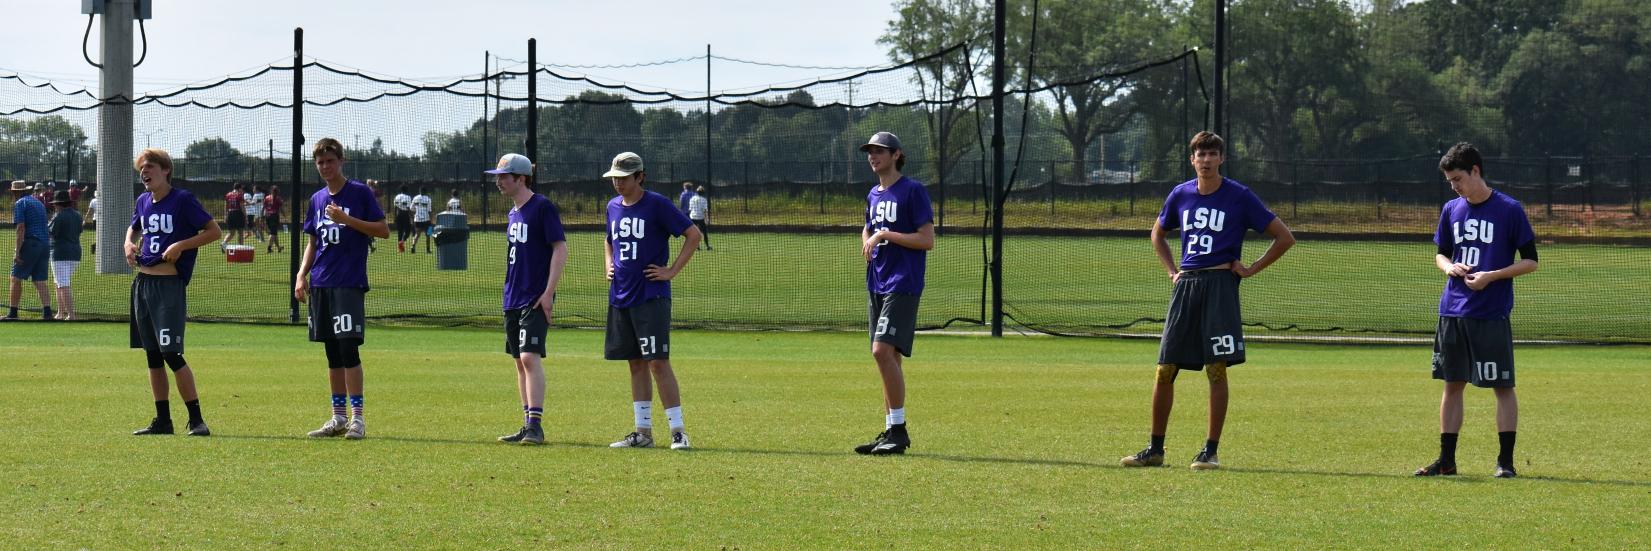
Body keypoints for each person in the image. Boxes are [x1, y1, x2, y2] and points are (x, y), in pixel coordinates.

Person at [1121, 131, 1295, 470]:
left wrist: (1250, 269)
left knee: (1216, 369)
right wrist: (1172, 271)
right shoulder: (1181, 194)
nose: (1206, 159)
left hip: (1220, 286)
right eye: (1200, 154)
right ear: (1192, 160)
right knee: (1165, 368)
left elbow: (1284, 237)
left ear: (1221, 158)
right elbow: (1157, 233)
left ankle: (1210, 451)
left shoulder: (1239, 196)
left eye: (1212, 153)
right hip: (1186, 285)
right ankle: (1155, 449)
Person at [1414, 142, 1538, 479]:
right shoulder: (1451, 208)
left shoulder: (1509, 209)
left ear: (1475, 171)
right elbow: (1440, 253)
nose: (1454, 186)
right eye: (1449, 182)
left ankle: (1505, 462)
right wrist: (1449, 267)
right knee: (1452, 384)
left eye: (1457, 179)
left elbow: (1530, 261)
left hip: (1490, 312)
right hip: (1453, 310)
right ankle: (1447, 461)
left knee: (1502, 386)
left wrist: (1491, 277)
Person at [601, 151, 702, 450]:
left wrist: (671, 271)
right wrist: (608, 263)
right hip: (621, 295)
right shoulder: (612, 207)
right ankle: (642, 432)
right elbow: (609, 240)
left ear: (640, 176)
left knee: (658, 363)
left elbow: (693, 235)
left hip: (651, 296)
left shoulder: (656, 204)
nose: (618, 184)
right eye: (615, 178)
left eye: (624, 178)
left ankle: (678, 432)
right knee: (635, 363)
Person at [296, 138, 389, 440]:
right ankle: (337, 418)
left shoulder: (359, 193)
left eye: (330, 161)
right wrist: (301, 275)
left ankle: (358, 419)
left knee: (349, 349)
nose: (325, 167)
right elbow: (313, 242)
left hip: (348, 284)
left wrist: (347, 219)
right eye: (320, 163)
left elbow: (383, 230)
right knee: (332, 353)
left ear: (341, 161)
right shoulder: (317, 199)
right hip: (321, 283)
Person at [124, 148, 222, 436]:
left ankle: (197, 419)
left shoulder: (182, 200)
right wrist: (128, 243)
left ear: (165, 170)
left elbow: (214, 231)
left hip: (168, 287)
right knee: (152, 355)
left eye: (150, 166)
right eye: (142, 168)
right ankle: (163, 420)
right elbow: (134, 229)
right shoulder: (143, 201)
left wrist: (181, 245)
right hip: (143, 285)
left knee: (172, 353)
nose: (144, 172)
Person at [852, 132, 934, 456]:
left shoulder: (913, 190)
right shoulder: (873, 193)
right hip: (877, 281)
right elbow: (869, 225)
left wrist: (884, 233)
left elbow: (927, 239)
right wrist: (867, 237)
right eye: (870, 151)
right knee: (890, 357)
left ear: (897, 154)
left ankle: (898, 431)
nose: (873, 156)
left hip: (903, 281)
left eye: (880, 151)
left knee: (880, 352)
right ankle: (889, 429)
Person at [487, 153, 568, 445]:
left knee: (529, 357)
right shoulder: (513, 213)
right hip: (513, 296)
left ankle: (536, 425)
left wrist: (548, 293)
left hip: (534, 296)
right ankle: (526, 424)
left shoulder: (541, 207)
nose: (498, 182)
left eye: (504, 177)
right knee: (519, 362)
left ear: (521, 178)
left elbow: (560, 248)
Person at [6, 180, 54, 321]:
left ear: (16, 192)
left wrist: (17, 251)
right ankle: (47, 313)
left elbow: (21, 228)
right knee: (39, 280)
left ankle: (13, 313)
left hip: (31, 243)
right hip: (45, 245)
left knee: (15, 278)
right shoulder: (38, 203)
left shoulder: (20, 203)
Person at [49, 190, 82, 320]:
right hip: (75, 253)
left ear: (58, 204)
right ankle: (60, 313)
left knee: (62, 284)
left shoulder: (58, 216)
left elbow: (51, 233)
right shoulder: (78, 215)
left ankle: (71, 315)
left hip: (60, 253)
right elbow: (79, 231)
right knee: (59, 283)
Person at [411, 187, 433, 253]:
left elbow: (412, 208)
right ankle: (428, 249)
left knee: (417, 234)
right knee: (429, 234)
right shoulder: (428, 199)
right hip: (427, 220)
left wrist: (415, 215)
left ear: (419, 191)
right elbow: (429, 211)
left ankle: (413, 246)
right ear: (426, 192)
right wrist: (431, 220)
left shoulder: (415, 198)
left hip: (417, 219)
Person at [264, 184, 285, 253]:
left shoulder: (267, 198)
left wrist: (262, 216)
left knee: (274, 233)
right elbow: (281, 209)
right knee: (273, 233)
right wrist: (284, 215)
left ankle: (278, 247)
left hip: (267, 216)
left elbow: (264, 208)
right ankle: (269, 248)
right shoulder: (278, 199)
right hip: (274, 216)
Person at [688, 185, 711, 251]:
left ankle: (697, 246)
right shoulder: (704, 200)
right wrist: (706, 219)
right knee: (704, 232)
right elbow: (705, 210)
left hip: (693, 217)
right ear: (703, 193)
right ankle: (707, 246)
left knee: (695, 232)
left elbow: (690, 209)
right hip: (700, 217)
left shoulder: (692, 199)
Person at [392, 184, 413, 253]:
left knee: (400, 231)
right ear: (406, 190)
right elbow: (408, 208)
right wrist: (412, 216)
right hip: (405, 215)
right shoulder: (408, 197)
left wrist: (394, 217)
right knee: (408, 231)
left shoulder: (397, 196)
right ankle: (402, 241)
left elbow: (395, 208)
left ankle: (400, 249)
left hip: (399, 215)